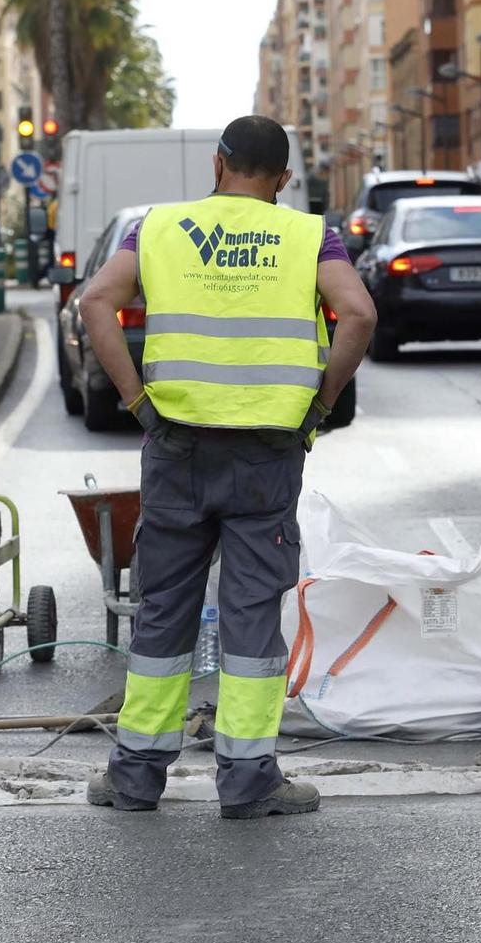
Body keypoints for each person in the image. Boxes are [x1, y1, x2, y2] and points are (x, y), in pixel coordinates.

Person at [74, 115, 377, 819]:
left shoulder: (159, 227)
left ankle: (135, 775)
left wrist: (136, 400)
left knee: (163, 612)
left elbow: (94, 301)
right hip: (266, 453)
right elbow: (357, 313)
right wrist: (319, 404)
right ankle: (247, 781)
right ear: (284, 178)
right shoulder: (308, 235)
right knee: (249, 619)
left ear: (218, 165)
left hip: (177, 444)